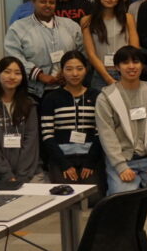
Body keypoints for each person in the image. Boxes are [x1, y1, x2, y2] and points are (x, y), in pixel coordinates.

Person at [94, 45, 147, 204]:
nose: (131, 67)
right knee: (124, 200)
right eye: (125, 63)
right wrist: (121, 166)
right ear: (117, 67)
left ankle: (139, 187)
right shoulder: (106, 98)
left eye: (136, 62)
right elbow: (107, 135)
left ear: (142, 65)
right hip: (123, 160)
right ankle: (134, 188)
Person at [39, 51, 105, 193]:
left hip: (89, 156)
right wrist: (64, 164)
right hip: (62, 157)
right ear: (62, 71)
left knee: (93, 197)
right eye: (69, 69)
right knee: (67, 195)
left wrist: (90, 162)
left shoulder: (97, 96)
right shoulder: (51, 98)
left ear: (86, 70)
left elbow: (102, 133)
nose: (75, 74)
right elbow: (47, 135)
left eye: (79, 69)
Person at [4, 0, 83, 100]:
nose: (47, 5)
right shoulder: (18, 28)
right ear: (33, 3)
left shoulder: (71, 26)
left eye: (51, 2)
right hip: (33, 92)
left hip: (67, 88)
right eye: (42, 2)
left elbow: (81, 53)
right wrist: (39, 75)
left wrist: (68, 72)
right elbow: (14, 56)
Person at [0, 57, 40, 183]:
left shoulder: (29, 104)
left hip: (28, 173)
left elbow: (31, 141)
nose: (12, 77)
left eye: (17, 73)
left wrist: (22, 175)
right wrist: (6, 174)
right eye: (7, 71)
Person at [81, 0, 139, 89]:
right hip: (100, 74)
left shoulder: (128, 18)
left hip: (126, 72)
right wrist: (107, 78)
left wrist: (127, 70)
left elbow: (134, 49)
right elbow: (90, 53)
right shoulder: (87, 20)